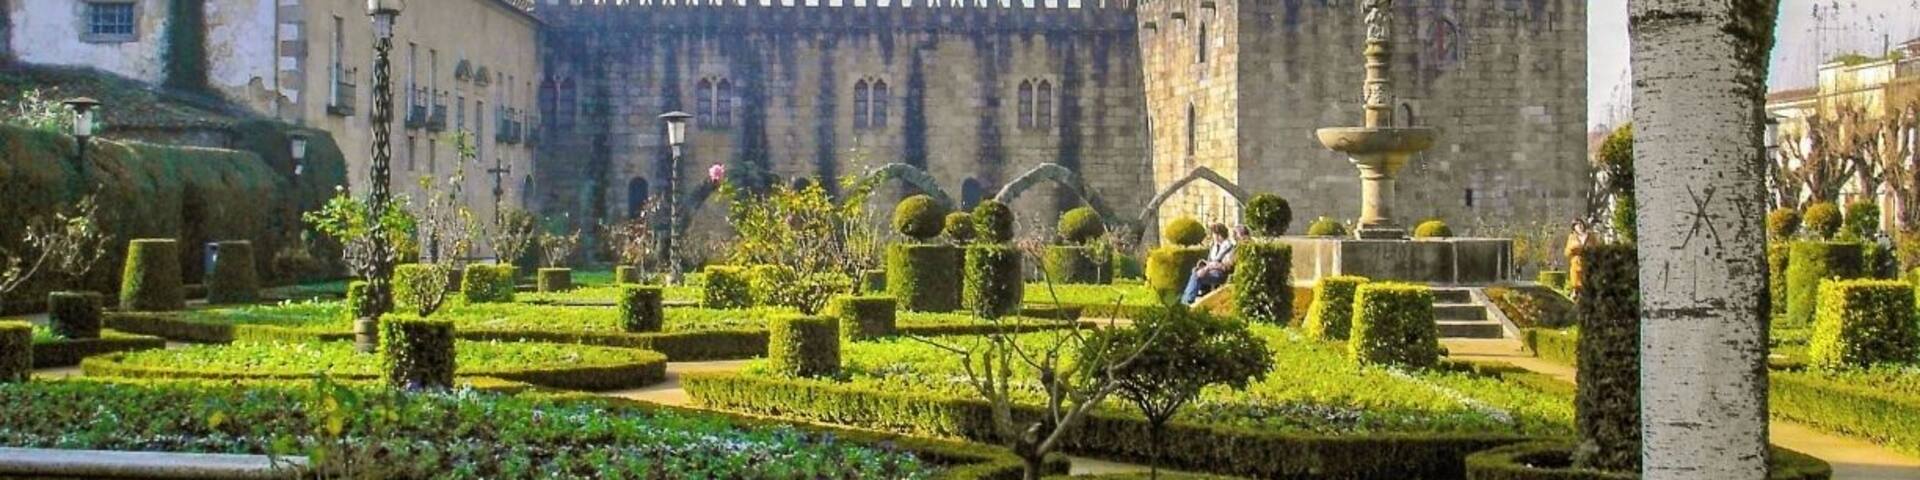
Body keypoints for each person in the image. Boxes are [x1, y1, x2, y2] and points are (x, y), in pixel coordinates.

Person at [1182, 224, 1241, 304]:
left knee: (1197, 275)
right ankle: (1192, 296)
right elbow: (1210, 261)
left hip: (1220, 273)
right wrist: (1204, 265)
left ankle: (1187, 300)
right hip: (1211, 270)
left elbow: (1226, 265)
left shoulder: (1229, 247)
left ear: (1219, 235)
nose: (1213, 236)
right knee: (1195, 271)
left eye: (1214, 234)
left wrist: (1208, 267)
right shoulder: (1214, 247)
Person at [1564, 219, 1591, 298]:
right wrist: (1574, 248)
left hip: (1588, 265)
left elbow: (1597, 248)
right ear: (1574, 227)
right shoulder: (1572, 237)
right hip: (1576, 266)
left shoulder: (1590, 236)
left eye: (1581, 224)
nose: (1580, 226)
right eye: (1577, 224)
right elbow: (1567, 252)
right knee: (1576, 286)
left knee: (1587, 286)